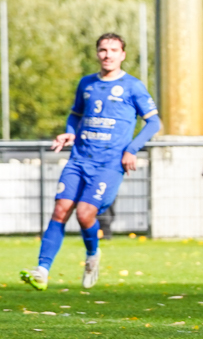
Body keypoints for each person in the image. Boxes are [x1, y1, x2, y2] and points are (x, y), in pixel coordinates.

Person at [20, 33, 160, 291]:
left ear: (123, 54)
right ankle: (42, 270)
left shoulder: (133, 87)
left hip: (109, 164)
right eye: (103, 50)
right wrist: (70, 132)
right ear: (97, 53)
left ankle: (92, 255)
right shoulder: (87, 84)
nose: (107, 55)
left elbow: (154, 122)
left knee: (85, 214)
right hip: (79, 159)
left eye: (113, 50)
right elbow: (75, 115)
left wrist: (132, 149)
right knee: (61, 209)